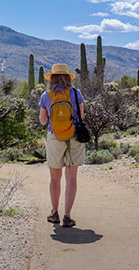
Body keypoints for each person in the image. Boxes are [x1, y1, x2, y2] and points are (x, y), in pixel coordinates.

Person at [39, 63, 85, 227]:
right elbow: (82, 115)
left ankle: (54, 213)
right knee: (71, 177)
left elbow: (43, 121)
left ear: (51, 78)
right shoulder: (76, 93)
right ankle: (67, 216)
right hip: (74, 136)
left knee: (55, 178)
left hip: (54, 137)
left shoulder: (46, 95)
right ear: (68, 78)